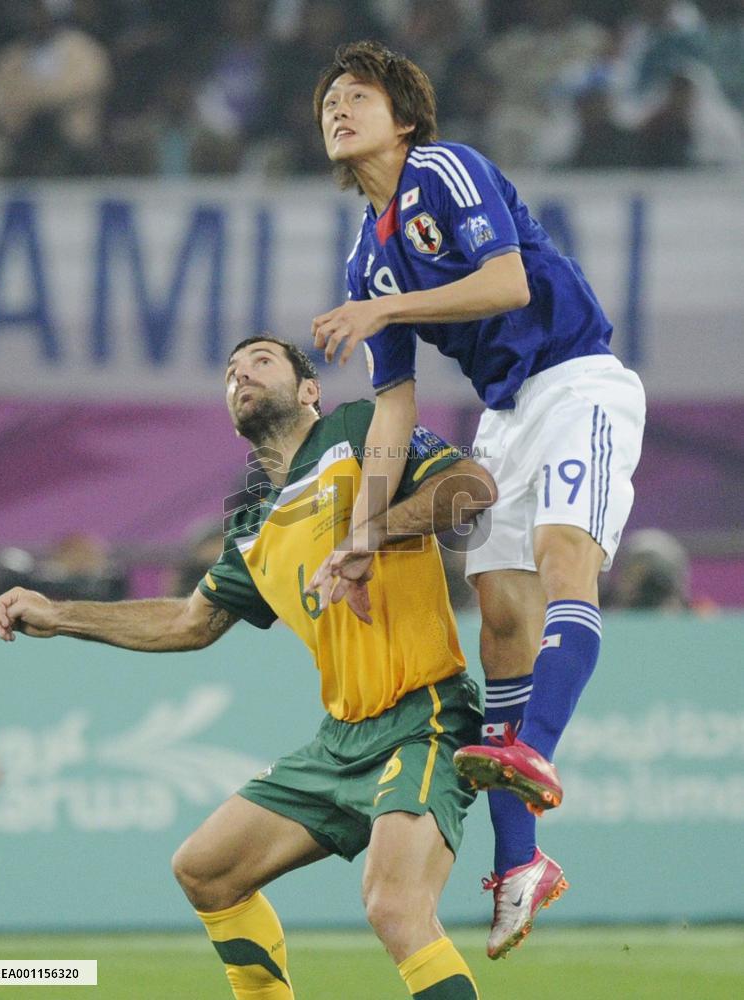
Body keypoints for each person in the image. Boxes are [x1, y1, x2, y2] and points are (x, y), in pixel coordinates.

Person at [0, 337, 495, 1000]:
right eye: (230, 371)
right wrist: (60, 616)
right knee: (206, 869)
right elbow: (187, 622)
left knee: (394, 908)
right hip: (342, 737)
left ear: (309, 389)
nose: (240, 374)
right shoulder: (254, 524)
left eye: (260, 361)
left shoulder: (360, 434)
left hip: (424, 716)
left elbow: (472, 489)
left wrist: (370, 532)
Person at [309, 40, 646, 958]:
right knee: (500, 622)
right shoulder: (364, 262)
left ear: (404, 119)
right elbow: (391, 411)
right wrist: (364, 533)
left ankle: (533, 748)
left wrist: (384, 315)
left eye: (357, 96)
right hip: (504, 416)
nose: (337, 110)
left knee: (561, 560)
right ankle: (521, 865)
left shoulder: (444, 168)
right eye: (329, 101)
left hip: (577, 380)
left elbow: (508, 281)